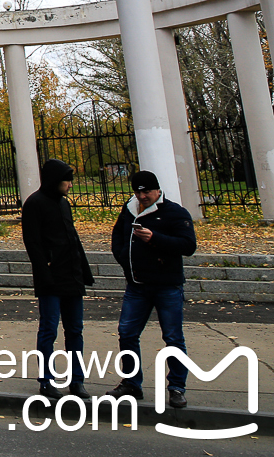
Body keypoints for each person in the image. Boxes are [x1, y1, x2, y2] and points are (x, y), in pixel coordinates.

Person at [108, 170, 197, 408]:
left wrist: (155, 238)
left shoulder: (175, 213)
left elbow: (188, 245)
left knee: (173, 337)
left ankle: (177, 387)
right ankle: (131, 382)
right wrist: (122, 257)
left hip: (166, 285)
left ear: (157, 190)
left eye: (147, 191)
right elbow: (118, 236)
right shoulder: (129, 211)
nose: (142, 196)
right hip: (137, 285)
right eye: (138, 191)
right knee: (127, 333)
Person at [21, 158, 94, 399]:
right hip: (51, 277)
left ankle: (77, 380)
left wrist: (83, 270)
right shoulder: (35, 203)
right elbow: (33, 243)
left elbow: (72, 238)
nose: (70, 185)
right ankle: (46, 380)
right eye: (67, 180)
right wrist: (45, 272)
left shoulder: (63, 204)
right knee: (49, 330)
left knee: (75, 330)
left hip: (71, 275)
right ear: (55, 180)